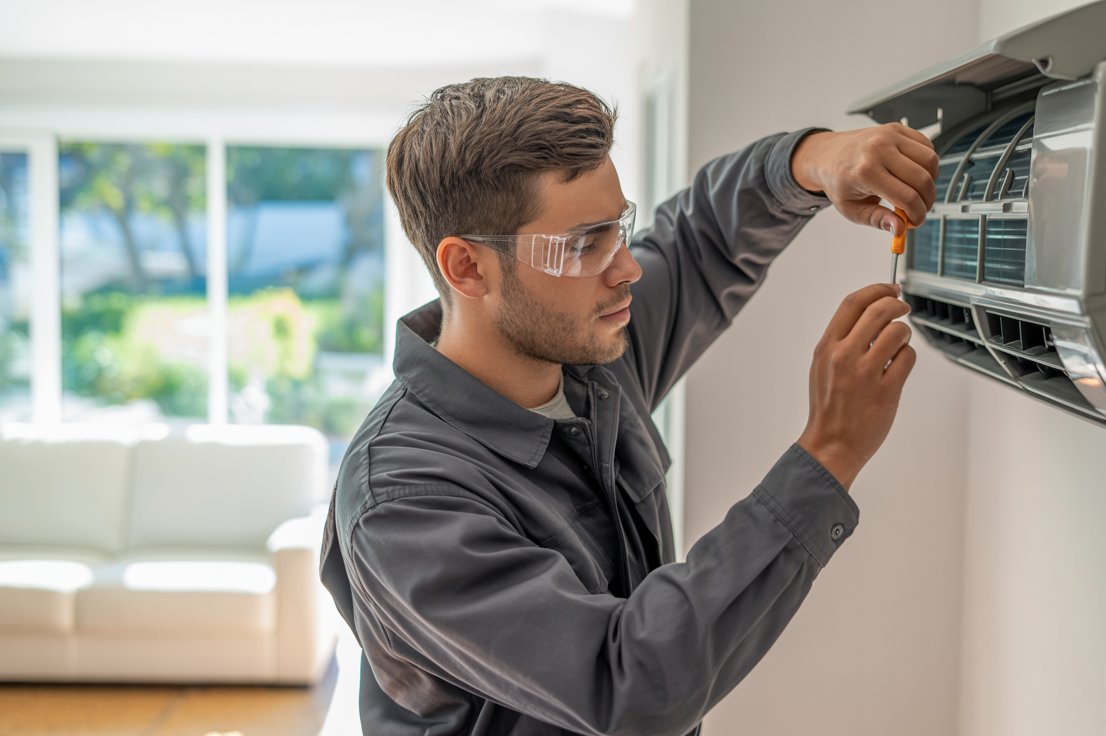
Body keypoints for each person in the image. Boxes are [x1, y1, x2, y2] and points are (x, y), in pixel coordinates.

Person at [319, 76, 937, 736]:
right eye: (585, 244)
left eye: (619, 228)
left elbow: (702, 239)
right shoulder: (405, 501)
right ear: (467, 267)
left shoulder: (586, 353)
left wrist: (812, 160)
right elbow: (626, 685)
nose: (626, 268)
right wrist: (831, 449)